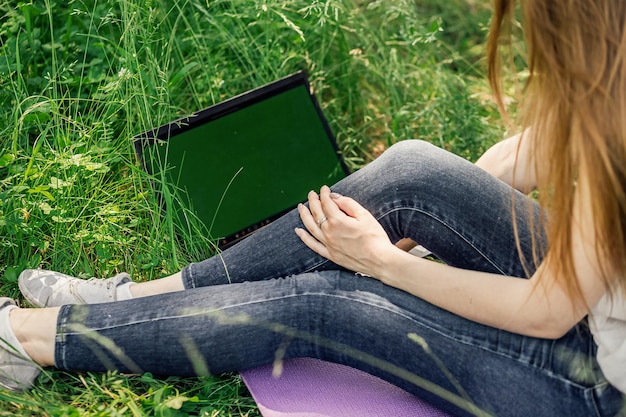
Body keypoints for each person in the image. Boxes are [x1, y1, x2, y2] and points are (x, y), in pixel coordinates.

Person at [2, 0, 626, 415]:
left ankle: (25, 341)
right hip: (596, 314)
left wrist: (391, 265)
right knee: (412, 170)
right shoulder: (612, 85)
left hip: (594, 390)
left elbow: (549, 312)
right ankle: (129, 301)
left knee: (326, 304)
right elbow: (526, 157)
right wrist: (426, 219)